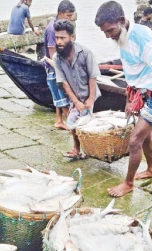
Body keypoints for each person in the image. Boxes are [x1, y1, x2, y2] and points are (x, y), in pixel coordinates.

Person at [95, 1, 152, 197]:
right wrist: (129, 99)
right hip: (143, 92)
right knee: (145, 135)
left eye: (110, 30)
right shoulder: (123, 36)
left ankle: (128, 183)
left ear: (120, 20)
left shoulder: (140, 36)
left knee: (134, 141)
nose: (108, 35)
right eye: (104, 33)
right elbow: (131, 69)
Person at [53, 19, 101, 159]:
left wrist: (90, 99)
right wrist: (76, 101)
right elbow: (63, 82)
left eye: (63, 38)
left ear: (72, 37)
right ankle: (77, 148)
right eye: (57, 38)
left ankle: (86, 149)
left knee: (86, 124)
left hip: (89, 94)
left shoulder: (86, 53)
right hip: (74, 95)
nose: (59, 42)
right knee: (72, 123)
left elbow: (93, 76)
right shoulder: (57, 58)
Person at [43, 0, 76, 130]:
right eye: (68, 16)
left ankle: (58, 120)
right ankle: (70, 122)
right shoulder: (53, 29)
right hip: (54, 66)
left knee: (56, 93)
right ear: (60, 13)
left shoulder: (63, 27)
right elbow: (52, 54)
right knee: (62, 95)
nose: (71, 19)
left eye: (72, 16)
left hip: (59, 63)